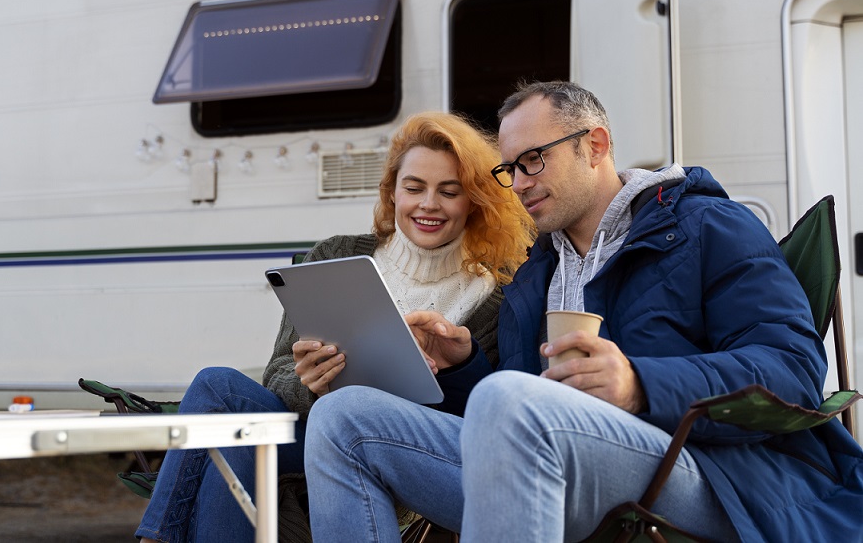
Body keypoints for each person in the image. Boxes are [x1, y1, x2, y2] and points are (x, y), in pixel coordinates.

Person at [304, 80, 863, 542]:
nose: (519, 184)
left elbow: (793, 370)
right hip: (551, 463)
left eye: (533, 161)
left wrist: (640, 383)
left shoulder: (706, 227)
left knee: (509, 399)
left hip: (708, 467)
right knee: (343, 417)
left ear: (594, 145)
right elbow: (510, 412)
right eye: (510, 170)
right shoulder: (536, 271)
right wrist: (463, 366)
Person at [136, 111, 534, 543]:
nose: (428, 204)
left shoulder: (494, 293)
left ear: (473, 200)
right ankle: (156, 537)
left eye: (449, 191)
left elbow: (470, 422)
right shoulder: (336, 255)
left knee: (236, 440)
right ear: (393, 192)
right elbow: (277, 375)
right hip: (308, 426)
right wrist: (312, 384)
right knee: (218, 388)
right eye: (414, 187)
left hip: (394, 447)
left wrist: (454, 366)